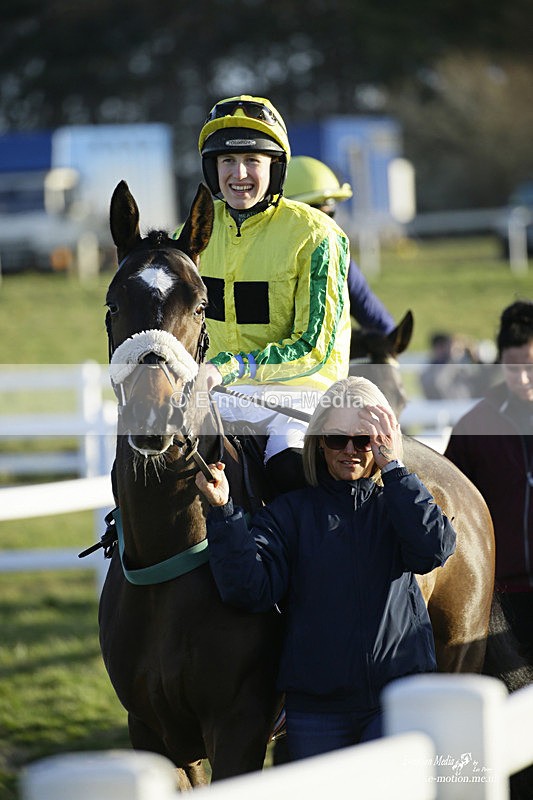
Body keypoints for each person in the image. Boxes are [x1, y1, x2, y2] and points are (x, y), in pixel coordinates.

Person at [196, 376, 456, 760]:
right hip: (317, 712)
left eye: (363, 440)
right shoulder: (289, 514)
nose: (349, 450)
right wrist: (224, 513)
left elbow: (434, 548)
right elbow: (250, 589)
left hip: (395, 700)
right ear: (319, 443)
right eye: (337, 439)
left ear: (380, 444)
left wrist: (396, 469)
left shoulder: (396, 505)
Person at [184, 96, 352, 493]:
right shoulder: (190, 234)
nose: (238, 174)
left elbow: (315, 348)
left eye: (252, 161)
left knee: (289, 473)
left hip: (298, 395)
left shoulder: (317, 235)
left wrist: (226, 368)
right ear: (213, 168)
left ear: (275, 168)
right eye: (227, 161)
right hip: (219, 392)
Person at [445, 301, 533, 663]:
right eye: (514, 369)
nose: (523, 378)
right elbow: (450, 507)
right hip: (499, 599)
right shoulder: (474, 426)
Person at [283, 155, 395, 334]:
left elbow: (383, 326)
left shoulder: (338, 260)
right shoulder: (261, 261)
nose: (325, 225)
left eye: (330, 214)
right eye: (315, 216)